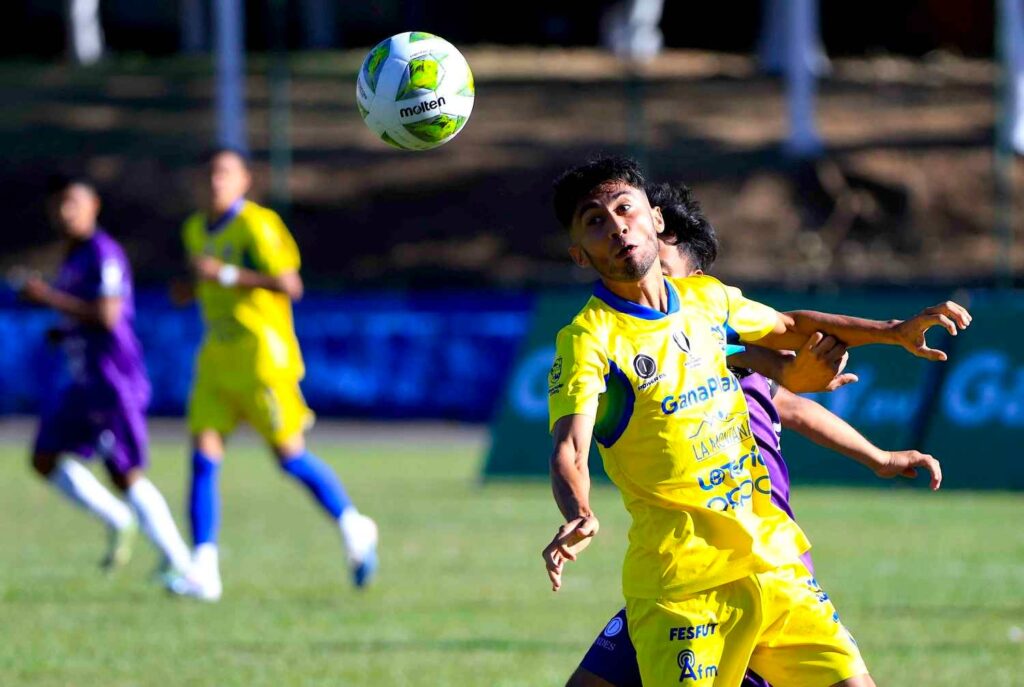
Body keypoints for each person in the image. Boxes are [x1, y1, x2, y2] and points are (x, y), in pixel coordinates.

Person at [541, 156, 971, 687]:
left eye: (624, 208)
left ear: (655, 217)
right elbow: (571, 448)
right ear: (580, 254)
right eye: (595, 221)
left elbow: (790, 327)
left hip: (775, 562)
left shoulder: (707, 300)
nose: (616, 227)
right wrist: (579, 511)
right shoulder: (587, 340)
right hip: (684, 588)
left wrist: (894, 331)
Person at [174, 148, 378, 602]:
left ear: (245, 180)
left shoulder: (258, 225)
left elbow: (290, 285)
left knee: (290, 457)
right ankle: (203, 569)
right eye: (209, 173)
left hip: (262, 360)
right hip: (217, 360)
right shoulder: (194, 229)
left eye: (225, 173)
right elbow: (201, 283)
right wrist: (189, 287)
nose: (215, 181)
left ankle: (353, 524)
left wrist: (226, 275)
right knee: (203, 459)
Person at [18, 175, 194, 585]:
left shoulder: (103, 252)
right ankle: (117, 518)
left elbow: (108, 315)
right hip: (82, 382)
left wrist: (47, 298)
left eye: (74, 203)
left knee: (125, 473)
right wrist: (63, 330)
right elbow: (84, 316)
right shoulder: (73, 256)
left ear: (94, 205)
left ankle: (182, 563)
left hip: (113, 381)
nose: (66, 212)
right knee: (44, 457)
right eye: (59, 204)